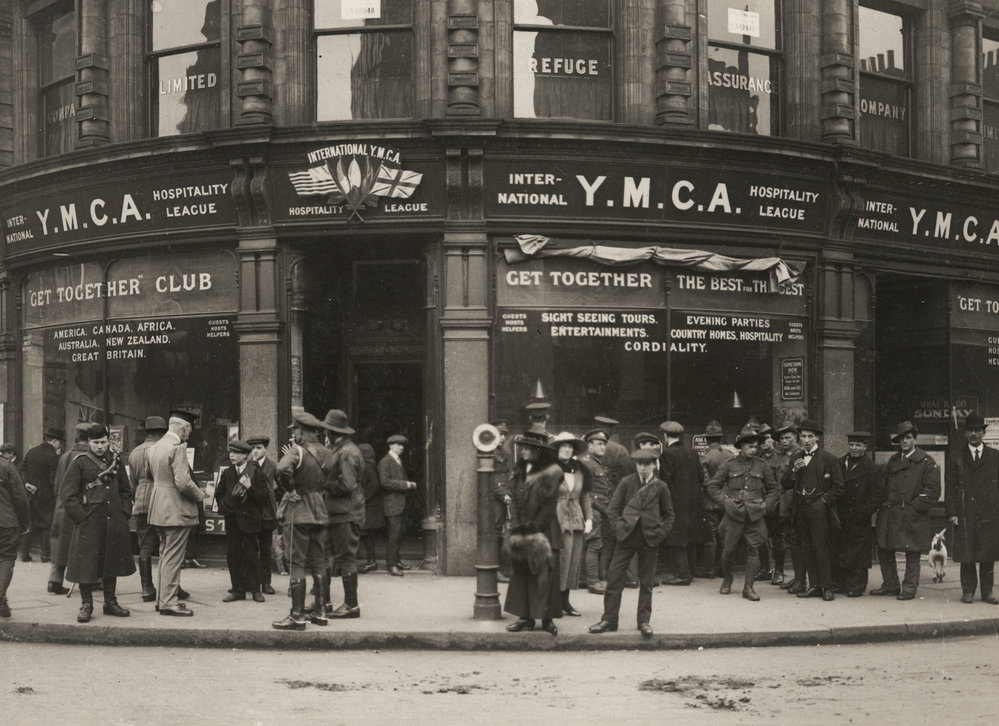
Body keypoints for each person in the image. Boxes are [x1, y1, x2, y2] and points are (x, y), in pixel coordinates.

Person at [588, 448, 675, 637]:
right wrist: (619, 528)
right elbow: (612, 510)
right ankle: (609, 620)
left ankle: (643, 621)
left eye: (647, 464)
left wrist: (661, 533)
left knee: (646, 583)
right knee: (614, 578)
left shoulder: (660, 487)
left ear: (654, 465)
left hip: (650, 538)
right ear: (636, 465)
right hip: (626, 537)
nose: (643, 468)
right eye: (640, 464)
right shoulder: (626, 482)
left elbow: (669, 514)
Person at [61, 424, 135, 623]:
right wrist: (82, 518)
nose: (100, 447)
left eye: (103, 442)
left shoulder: (116, 461)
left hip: (113, 521)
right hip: (89, 522)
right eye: (96, 443)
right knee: (87, 564)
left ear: (108, 441)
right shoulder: (80, 462)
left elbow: (126, 491)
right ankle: (87, 604)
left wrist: (124, 512)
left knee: (110, 561)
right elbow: (68, 495)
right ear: (89, 443)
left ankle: (110, 602)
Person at [272, 411, 332, 630]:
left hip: (299, 511)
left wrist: (291, 489)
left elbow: (281, 468)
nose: (294, 434)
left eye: (295, 430)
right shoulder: (327, 453)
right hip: (320, 511)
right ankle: (321, 611)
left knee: (296, 563)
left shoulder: (297, 451)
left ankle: (297, 616)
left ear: (302, 430)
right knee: (319, 562)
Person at [706, 426, 779, 601]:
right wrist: (725, 502)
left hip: (755, 514)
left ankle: (749, 587)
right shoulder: (729, 465)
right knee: (728, 551)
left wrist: (766, 505)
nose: (753, 450)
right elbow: (712, 486)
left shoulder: (763, 466)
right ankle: (727, 580)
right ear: (741, 447)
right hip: (734, 514)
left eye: (756, 447)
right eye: (750, 447)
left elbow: (774, 489)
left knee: (754, 549)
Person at [147, 410, 208, 617]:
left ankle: (162, 600)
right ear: (184, 427)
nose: (188, 435)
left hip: (158, 508)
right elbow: (183, 482)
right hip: (177, 510)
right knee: (173, 558)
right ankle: (169, 603)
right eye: (189, 430)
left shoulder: (154, 447)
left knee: (165, 555)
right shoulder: (178, 448)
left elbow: (150, 475)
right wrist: (201, 495)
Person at [872, 420, 940, 600]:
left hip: (912, 514)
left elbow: (933, 492)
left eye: (908, 438)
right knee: (884, 548)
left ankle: (909, 588)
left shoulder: (926, 462)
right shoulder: (893, 461)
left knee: (912, 552)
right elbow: (882, 486)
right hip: (891, 513)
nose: (904, 442)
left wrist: (913, 508)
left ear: (915, 440)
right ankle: (890, 585)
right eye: (901, 439)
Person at [503, 430, 562, 635]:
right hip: (522, 530)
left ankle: (547, 619)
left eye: (529, 448)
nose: (524, 451)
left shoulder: (551, 474)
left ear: (539, 451)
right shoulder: (519, 471)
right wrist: (519, 528)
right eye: (523, 448)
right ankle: (525, 618)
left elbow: (548, 508)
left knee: (545, 576)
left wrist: (531, 530)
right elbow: (516, 502)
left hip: (544, 533)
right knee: (522, 574)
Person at [782, 419, 844, 601]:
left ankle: (827, 587)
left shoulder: (829, 459)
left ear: (817, 438)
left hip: (819, 511)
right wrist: (793, 470)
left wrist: (823, 501)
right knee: (806, 548)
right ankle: (814, 585)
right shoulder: (796, 458)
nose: (806, 440)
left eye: (810, 436)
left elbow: (839, 487)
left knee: (821, 548)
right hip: (800, 510)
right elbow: (784, 483)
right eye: (803, 436)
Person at [945, 412, 999, 604]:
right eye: (970, 431)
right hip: (965, 512)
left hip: (989, 513)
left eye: (977, 431)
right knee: (966, 553)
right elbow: (950, 487)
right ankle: (968, 591)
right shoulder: (956, 457)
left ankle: (987, 593)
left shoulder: (995, 456)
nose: (974, 434)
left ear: (983, 433)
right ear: (965, 434)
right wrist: (951, 512)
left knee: (987, 554)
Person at [322, 409, 365, 617]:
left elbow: (347, 485)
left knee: (346, 558)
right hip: (339, 513)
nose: (325, 435)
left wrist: (326, 485)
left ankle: (351, 605)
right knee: (328, 556)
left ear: (333, 432)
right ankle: (326, 602)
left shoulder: (346, 452)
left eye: (327, 431)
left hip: (346, 514)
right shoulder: (341, 449)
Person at [216, 439, 270, 603]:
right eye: (231, 452)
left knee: (252, 556)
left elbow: (263, 496)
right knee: (233, 556)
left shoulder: (256, 472)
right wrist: (225, 506)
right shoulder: (228, 473)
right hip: (233, 520)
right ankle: (237, 590)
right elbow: (219, 493)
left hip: (250, 521)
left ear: (245, 456)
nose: (232, 456)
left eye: (236, 453)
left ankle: (255, 590)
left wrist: (249, 487)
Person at [831, 431, 882, 597]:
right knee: (839, 548)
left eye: (858, 445)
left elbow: (877, 495)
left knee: (857, 552)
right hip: (840, 514)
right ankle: (839, 583)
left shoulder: (872, 468)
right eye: (851, 444)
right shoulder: (838, 463)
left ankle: (856, 585)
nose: (854, 448)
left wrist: (865, 512)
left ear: (865, 447)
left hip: (859, 516)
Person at [550, 431, 592, 617]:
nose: (566, 449)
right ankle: (554, 601)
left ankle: (565, 601)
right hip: (555, 517)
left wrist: (589, 518)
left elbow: (585, 496)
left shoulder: (580, 469)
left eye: (570, 446)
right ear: (557, 448)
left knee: (573, 559)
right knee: (558, 560)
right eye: (563, 446)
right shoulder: (549, 468)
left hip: (575, 517)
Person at [660, 420, 705, 587]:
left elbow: (666, 481)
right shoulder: (692, 452)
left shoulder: (667, 454)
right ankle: (691, 571)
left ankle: (682, 575)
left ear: (665, 435)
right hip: (694, 501)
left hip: (676, 502)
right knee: (690, 535)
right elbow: (701, 476)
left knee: (678, 538)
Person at [128, 415, 168, 603]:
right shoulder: (162, 449)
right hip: (160, 501)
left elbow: (132, 483)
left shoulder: (134, 452)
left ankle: (146, 588)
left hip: (140, 503)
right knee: (168, 546)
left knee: (144, 547)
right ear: (161, 432)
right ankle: (169, 586)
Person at [48, 423, 91, 596]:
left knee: (60, 543)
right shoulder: (87, 457)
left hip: (62, 505)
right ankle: (88, 581)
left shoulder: (65, 455)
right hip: (80, 505)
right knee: (83, 544)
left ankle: (55, 580)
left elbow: (57, 485)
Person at [19, 429, 63, 563]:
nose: (59, 446)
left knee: (29, 525)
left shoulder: (31, 452)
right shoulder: (53, 456)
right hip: (46, 496)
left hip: (31, 495)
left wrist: (27, 483)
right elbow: (53, 480)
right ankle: (45, 555)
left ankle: (24, 554)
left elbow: (22, 470)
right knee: (47, 525)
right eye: (59, 443)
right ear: (54, 441)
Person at [378, 433, 418, 577]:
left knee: (398, 533)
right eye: (398, 444)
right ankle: (392, 565)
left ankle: (396, 561)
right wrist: (406, 484)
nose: (402, 447)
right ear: (391, 445)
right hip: (392, 504)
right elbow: (385, 482)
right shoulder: (385, 462)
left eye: (403, 445)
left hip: (398, 503)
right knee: (394, 535)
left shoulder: (396, 460)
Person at [246, 434, 280, 594]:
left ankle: (266, 583)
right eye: (253, 448)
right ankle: (252, 582)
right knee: (251, 550)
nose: (255, 451)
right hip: (252, 513)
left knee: (266, 549)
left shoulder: (272, 466)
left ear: (266, 449)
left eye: (259, 448)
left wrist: (273, 499)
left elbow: (282, 485)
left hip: (267, 513)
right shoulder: (247, 466)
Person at [696, 420, 730, 579]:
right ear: (721, 438)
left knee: (711, 536)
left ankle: (708, 569)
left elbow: (705, 481)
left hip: (710, 502)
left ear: (707, 439)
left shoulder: (705, 457)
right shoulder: (730, 456)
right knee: (725, 536)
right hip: (727, 501)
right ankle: (724, 569)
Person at [579, 428, 610, 594]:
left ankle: (583, 579)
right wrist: (599, 508)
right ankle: (593, 582)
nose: (603, 447)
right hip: (593, 509)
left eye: (604, 444)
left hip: (597, 508)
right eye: (599, 444)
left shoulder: (595, 462)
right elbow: (585, 491)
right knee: (594, 543)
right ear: (589, 445)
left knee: (589, 543)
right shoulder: (588, 463)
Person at [0, 445, 30, 618]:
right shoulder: (6, 465)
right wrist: (25, 522)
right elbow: (20, 497)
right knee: (5, 558)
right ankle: (0, 595)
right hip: (6, 521)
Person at [774, 422, 804, 591]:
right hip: (784, 504)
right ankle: (796, 576)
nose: (784, 441)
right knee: (789, 540)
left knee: (798, 541)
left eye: (788, 437)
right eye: (781, 438)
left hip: (795, 504)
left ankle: (800, 578)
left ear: (796, 438)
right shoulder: (784, 456)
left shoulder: (799, 454)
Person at [357, 443, 385, 573]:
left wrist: (364, 498)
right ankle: (370, 560)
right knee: (367, 534)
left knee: (367, 534)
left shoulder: (367, 466)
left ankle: (371, 561)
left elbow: (374, 485)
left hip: (369, 507)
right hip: (369, 506)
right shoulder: (369, 465)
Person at [492, 421, 513, 583]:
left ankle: (501, 568)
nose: (503, 437)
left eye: (505, 434)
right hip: (495, 500)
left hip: (503, 498)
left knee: (501, 534)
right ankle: (495, 569)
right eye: (500, 434)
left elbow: (506, 476)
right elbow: (493, 480)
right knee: (495, 534)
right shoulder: (490, 453)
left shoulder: (501, 452)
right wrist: (504, 494)